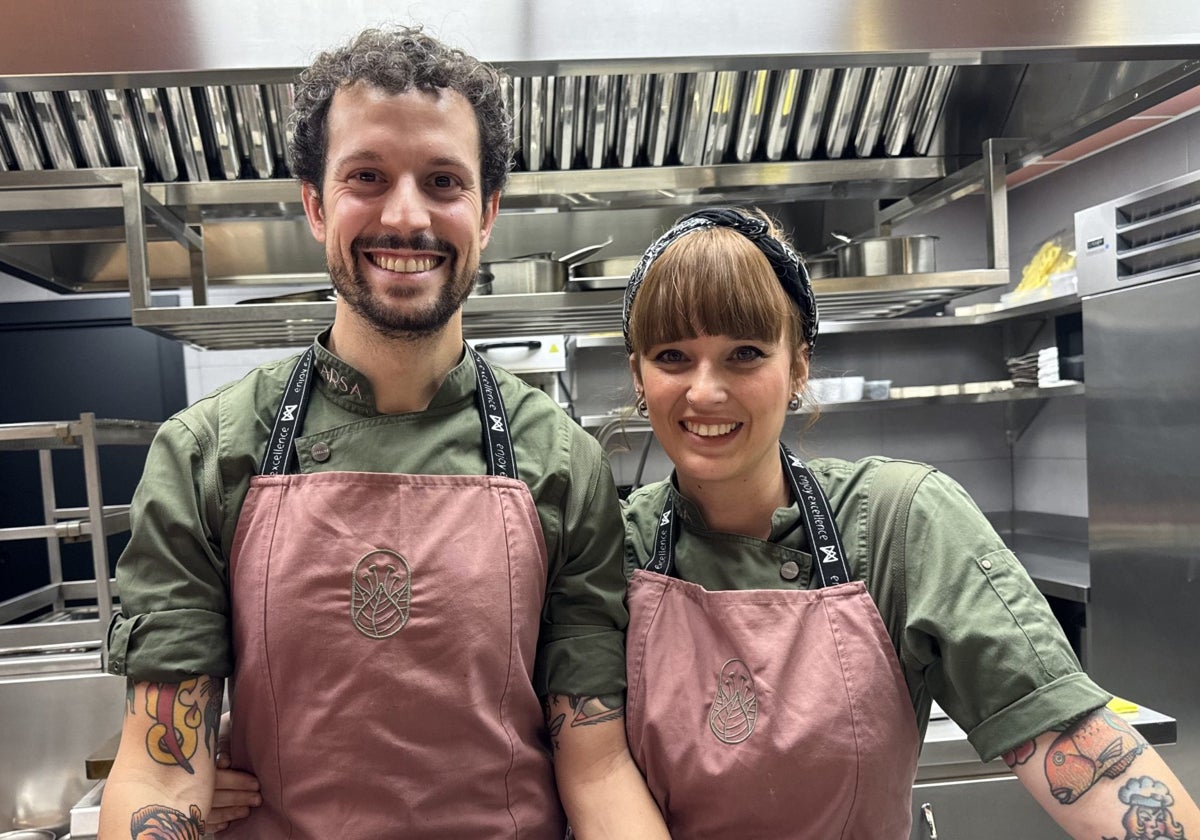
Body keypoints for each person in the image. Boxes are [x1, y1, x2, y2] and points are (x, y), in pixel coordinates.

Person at [98, 26, 669, 839]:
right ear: (315, 202)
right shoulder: (206, 456)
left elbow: (598, 766)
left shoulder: (560, 463)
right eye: (367, 175)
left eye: (443, 181)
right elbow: (161, 767)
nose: (407, 216)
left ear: (488, 210)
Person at [617, 206, 1200, 837]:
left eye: (745, 354)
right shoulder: (611, 546)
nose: (705, 391)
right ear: (639, 377)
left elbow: (1079, 746)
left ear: (798, 369)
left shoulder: (902, 520)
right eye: (673, 356)